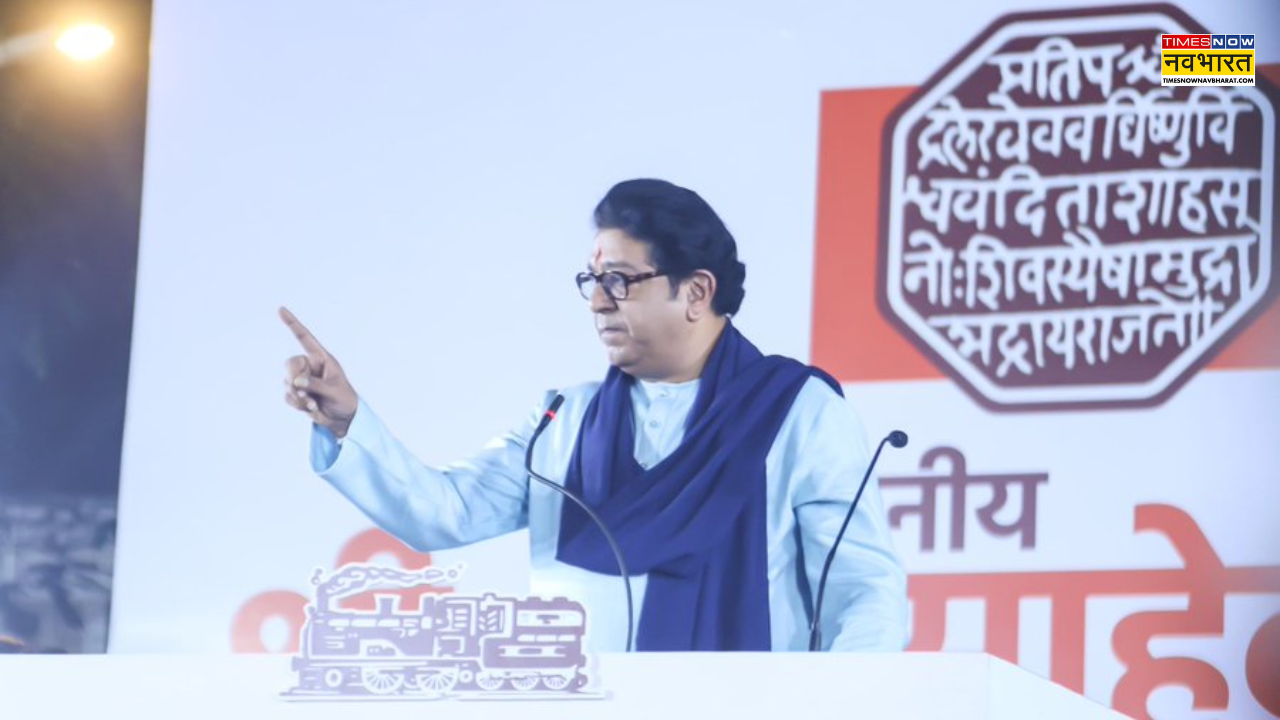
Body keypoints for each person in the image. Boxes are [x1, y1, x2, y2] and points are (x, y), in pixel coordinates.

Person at [282, 179, 907, 652]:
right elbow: (443, 513)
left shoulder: (795, 412)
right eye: (592, 280)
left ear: (696, 291)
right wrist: (347, 422)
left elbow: (864, 594)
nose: (598, 303)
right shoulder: (564, 419)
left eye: (620, 281)